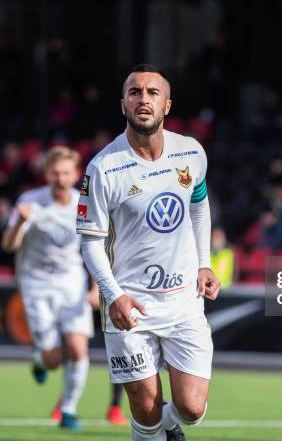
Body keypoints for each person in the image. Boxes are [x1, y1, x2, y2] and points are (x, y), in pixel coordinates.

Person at [76, 63, 220, 441]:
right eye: (134, 92)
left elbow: (199, 205)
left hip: (183, 300)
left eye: (152, 93)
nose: (143, 99)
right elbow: (90, 241)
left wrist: (204, 264)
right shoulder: (103, 168)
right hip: (130, 305)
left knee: (191, 409)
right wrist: (114, 295)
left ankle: (172, 426)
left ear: (167, 105)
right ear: (123, 104)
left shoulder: (191, 153)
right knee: (145, 407)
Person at [2, 146, 95, 430]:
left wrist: (95, 287)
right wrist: (19, 221)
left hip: (71, 283)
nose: (60, 178)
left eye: (66, 172)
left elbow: (95, 246)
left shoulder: (86, 202)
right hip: (36, 284)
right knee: (54, 359)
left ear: (76, 174)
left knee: (79, 348)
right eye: (55, 173)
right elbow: (8, 246)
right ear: (46, 174)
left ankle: (68, 410)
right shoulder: (30, 201)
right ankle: (41, 361)